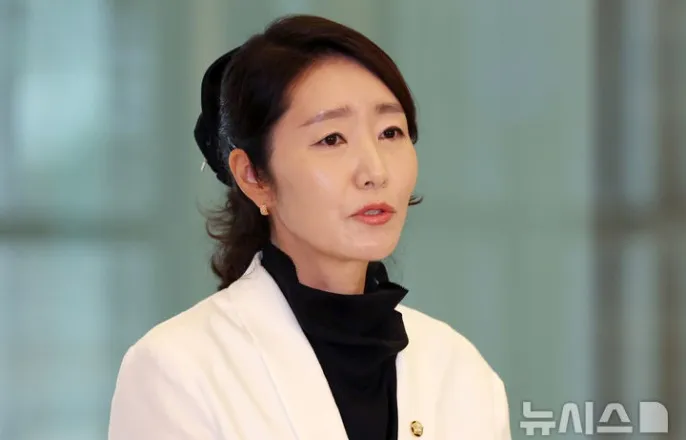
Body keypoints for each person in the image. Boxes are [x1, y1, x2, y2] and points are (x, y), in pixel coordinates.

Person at [108, 14, 511, 440]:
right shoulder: (178, 371)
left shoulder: (458, 370)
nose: (375, 172)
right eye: (331, 139)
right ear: (253, 177)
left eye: (391, 132)